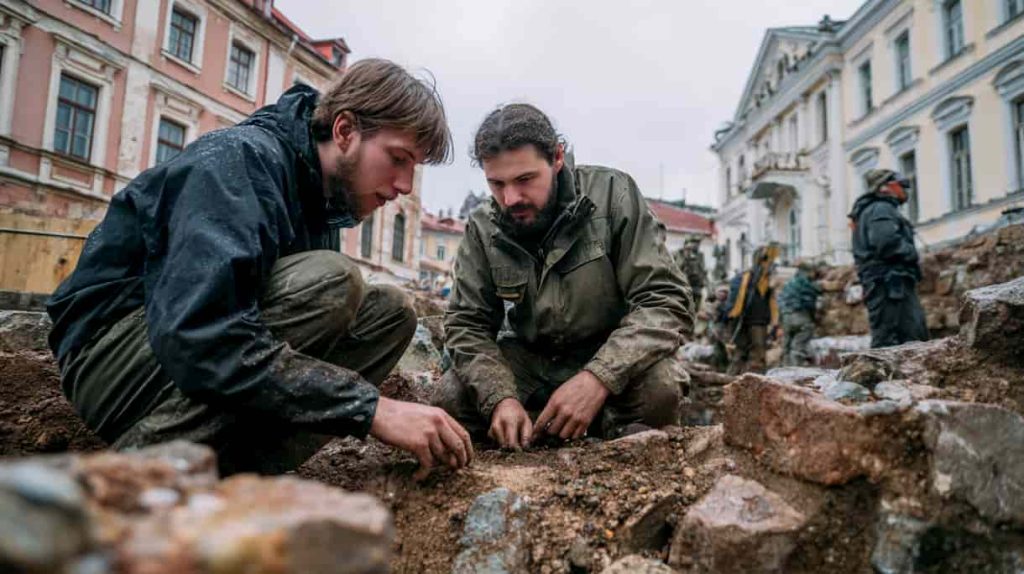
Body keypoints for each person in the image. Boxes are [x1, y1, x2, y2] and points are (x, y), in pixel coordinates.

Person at [46, 59, 472, 479]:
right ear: (344, 131)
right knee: (333, 280)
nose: (405, 186)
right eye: (398, 158)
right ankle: (141, 472)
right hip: (111, 360)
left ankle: (229, 473)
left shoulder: (319, 199)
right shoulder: (240, 162)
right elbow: (199, 334)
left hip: (173, 358)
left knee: (391, 314)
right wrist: (371, 408)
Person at [433, 104, 693, 449]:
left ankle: (598, 427)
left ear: (556, 158)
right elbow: (467, 323)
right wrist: (500, 397)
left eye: (525, 180)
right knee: (450, 396)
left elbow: (665, 301)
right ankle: (535, 422)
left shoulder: (614, 195)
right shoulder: (483, 225)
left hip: (607, 353)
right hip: (529, 362)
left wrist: (599, 377)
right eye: (496, 184)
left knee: (661, 389)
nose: (510, 198)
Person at [849, 169, 929, 348]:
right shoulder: (881, 208)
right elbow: (885, 243)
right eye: (901, 185)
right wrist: (911, 253)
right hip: (889, 283)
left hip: (890, 282)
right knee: (893, 339)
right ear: (885, 187)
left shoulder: (875, 209)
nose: (905, 190)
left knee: (909, 337)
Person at [725, 245, 779, 375]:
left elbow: (772, 298)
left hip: (759, 321)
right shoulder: (745, 277)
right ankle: (731, 379)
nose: (768, 264)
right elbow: (734, 300)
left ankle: (756, 381)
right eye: (765, 260)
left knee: (757, 355)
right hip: (743, 320)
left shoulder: (767, 279)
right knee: (741, 354)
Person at [778, 261, 822, 366]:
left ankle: (784, 370)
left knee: (786, 347)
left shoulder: (788, 284)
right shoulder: (806, 283)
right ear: (809, 272)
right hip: (800, 316)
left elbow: (780, 302)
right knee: (798, 345)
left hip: (786, 317)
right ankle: (796, 369)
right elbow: (810, 302)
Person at [675, 237, 707, 311]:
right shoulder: (679, 254)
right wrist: (686, 257)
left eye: (698, 243)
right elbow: (677, 268)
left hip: (696, 285)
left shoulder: (700, 255)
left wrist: (703, 282)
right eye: (694, 242)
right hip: (683, 284)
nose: (696, 245)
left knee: (696, 307)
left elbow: (702, 270)